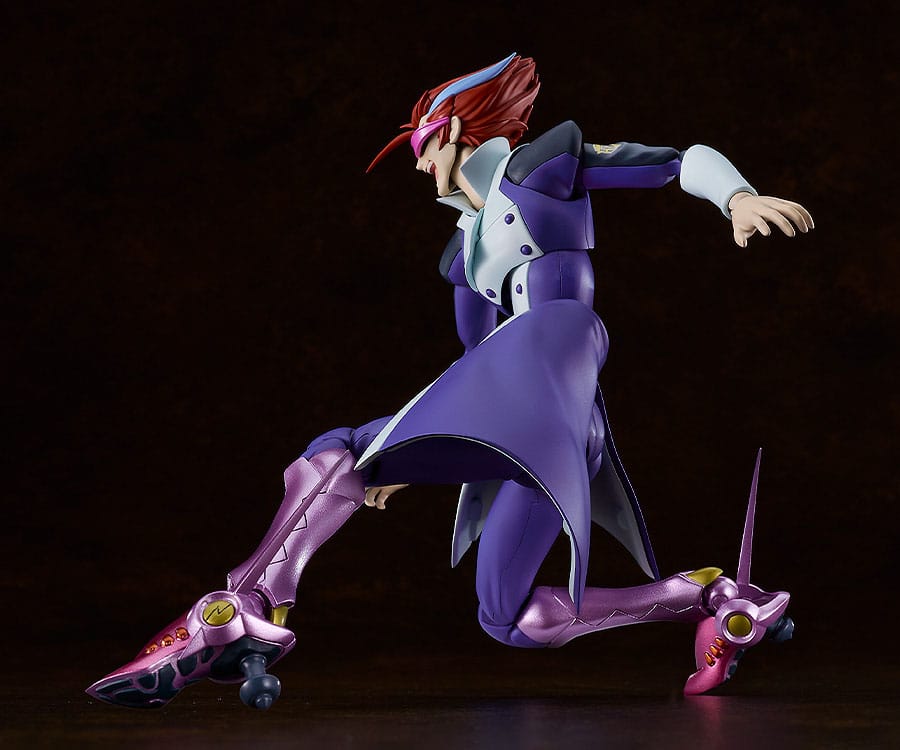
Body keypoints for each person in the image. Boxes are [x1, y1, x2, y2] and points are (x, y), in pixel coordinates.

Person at [87, 53, 812, 710]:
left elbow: (676, 161)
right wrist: (418, 452)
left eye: (419, 146)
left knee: (337, 449)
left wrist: (736, 198)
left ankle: (243, 607)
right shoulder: (463, 255)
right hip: (538, 423)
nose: (416, 166)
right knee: (510, 619)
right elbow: (474, 365)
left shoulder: (541, 168)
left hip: (550, 380)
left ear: (455, 131)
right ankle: (710, 599)